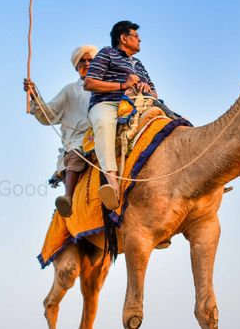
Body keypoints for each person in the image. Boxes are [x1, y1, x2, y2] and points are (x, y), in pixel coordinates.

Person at [84, 21, 156, 210]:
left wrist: (146, 88)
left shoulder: (139, 64)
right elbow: (90, 83)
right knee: (104, 122)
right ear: (124, 38)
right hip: (108, 103)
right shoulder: (107, 53)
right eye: (135, 36)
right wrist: (123, 85)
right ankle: (112, 182)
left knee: (169, 121)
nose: (139, 39)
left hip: (137, 103)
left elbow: (155, 93)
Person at [23, 45, 96, 217]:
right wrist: (34, 95)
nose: (86, 64)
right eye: (82, 61)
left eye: (90, 60)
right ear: (77, 67)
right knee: (76, 153)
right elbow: (48, 114)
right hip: (79, 140)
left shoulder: (108, 88)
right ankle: (68, 197)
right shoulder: (71, 91)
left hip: (105, 135)